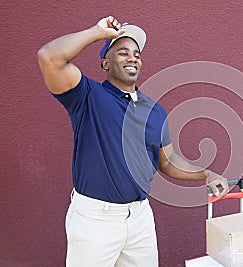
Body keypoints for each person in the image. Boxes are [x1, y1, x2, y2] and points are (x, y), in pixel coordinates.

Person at [37, 16, 229, 267]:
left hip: (139, 217)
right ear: (105, 63)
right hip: (95, 220)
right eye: (122, 52)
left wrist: (207, 174)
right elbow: (49, 57)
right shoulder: (88, 97)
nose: (132, 58)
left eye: (136, 54)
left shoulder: (155, 111)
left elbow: (168, 162)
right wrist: (97, 32)